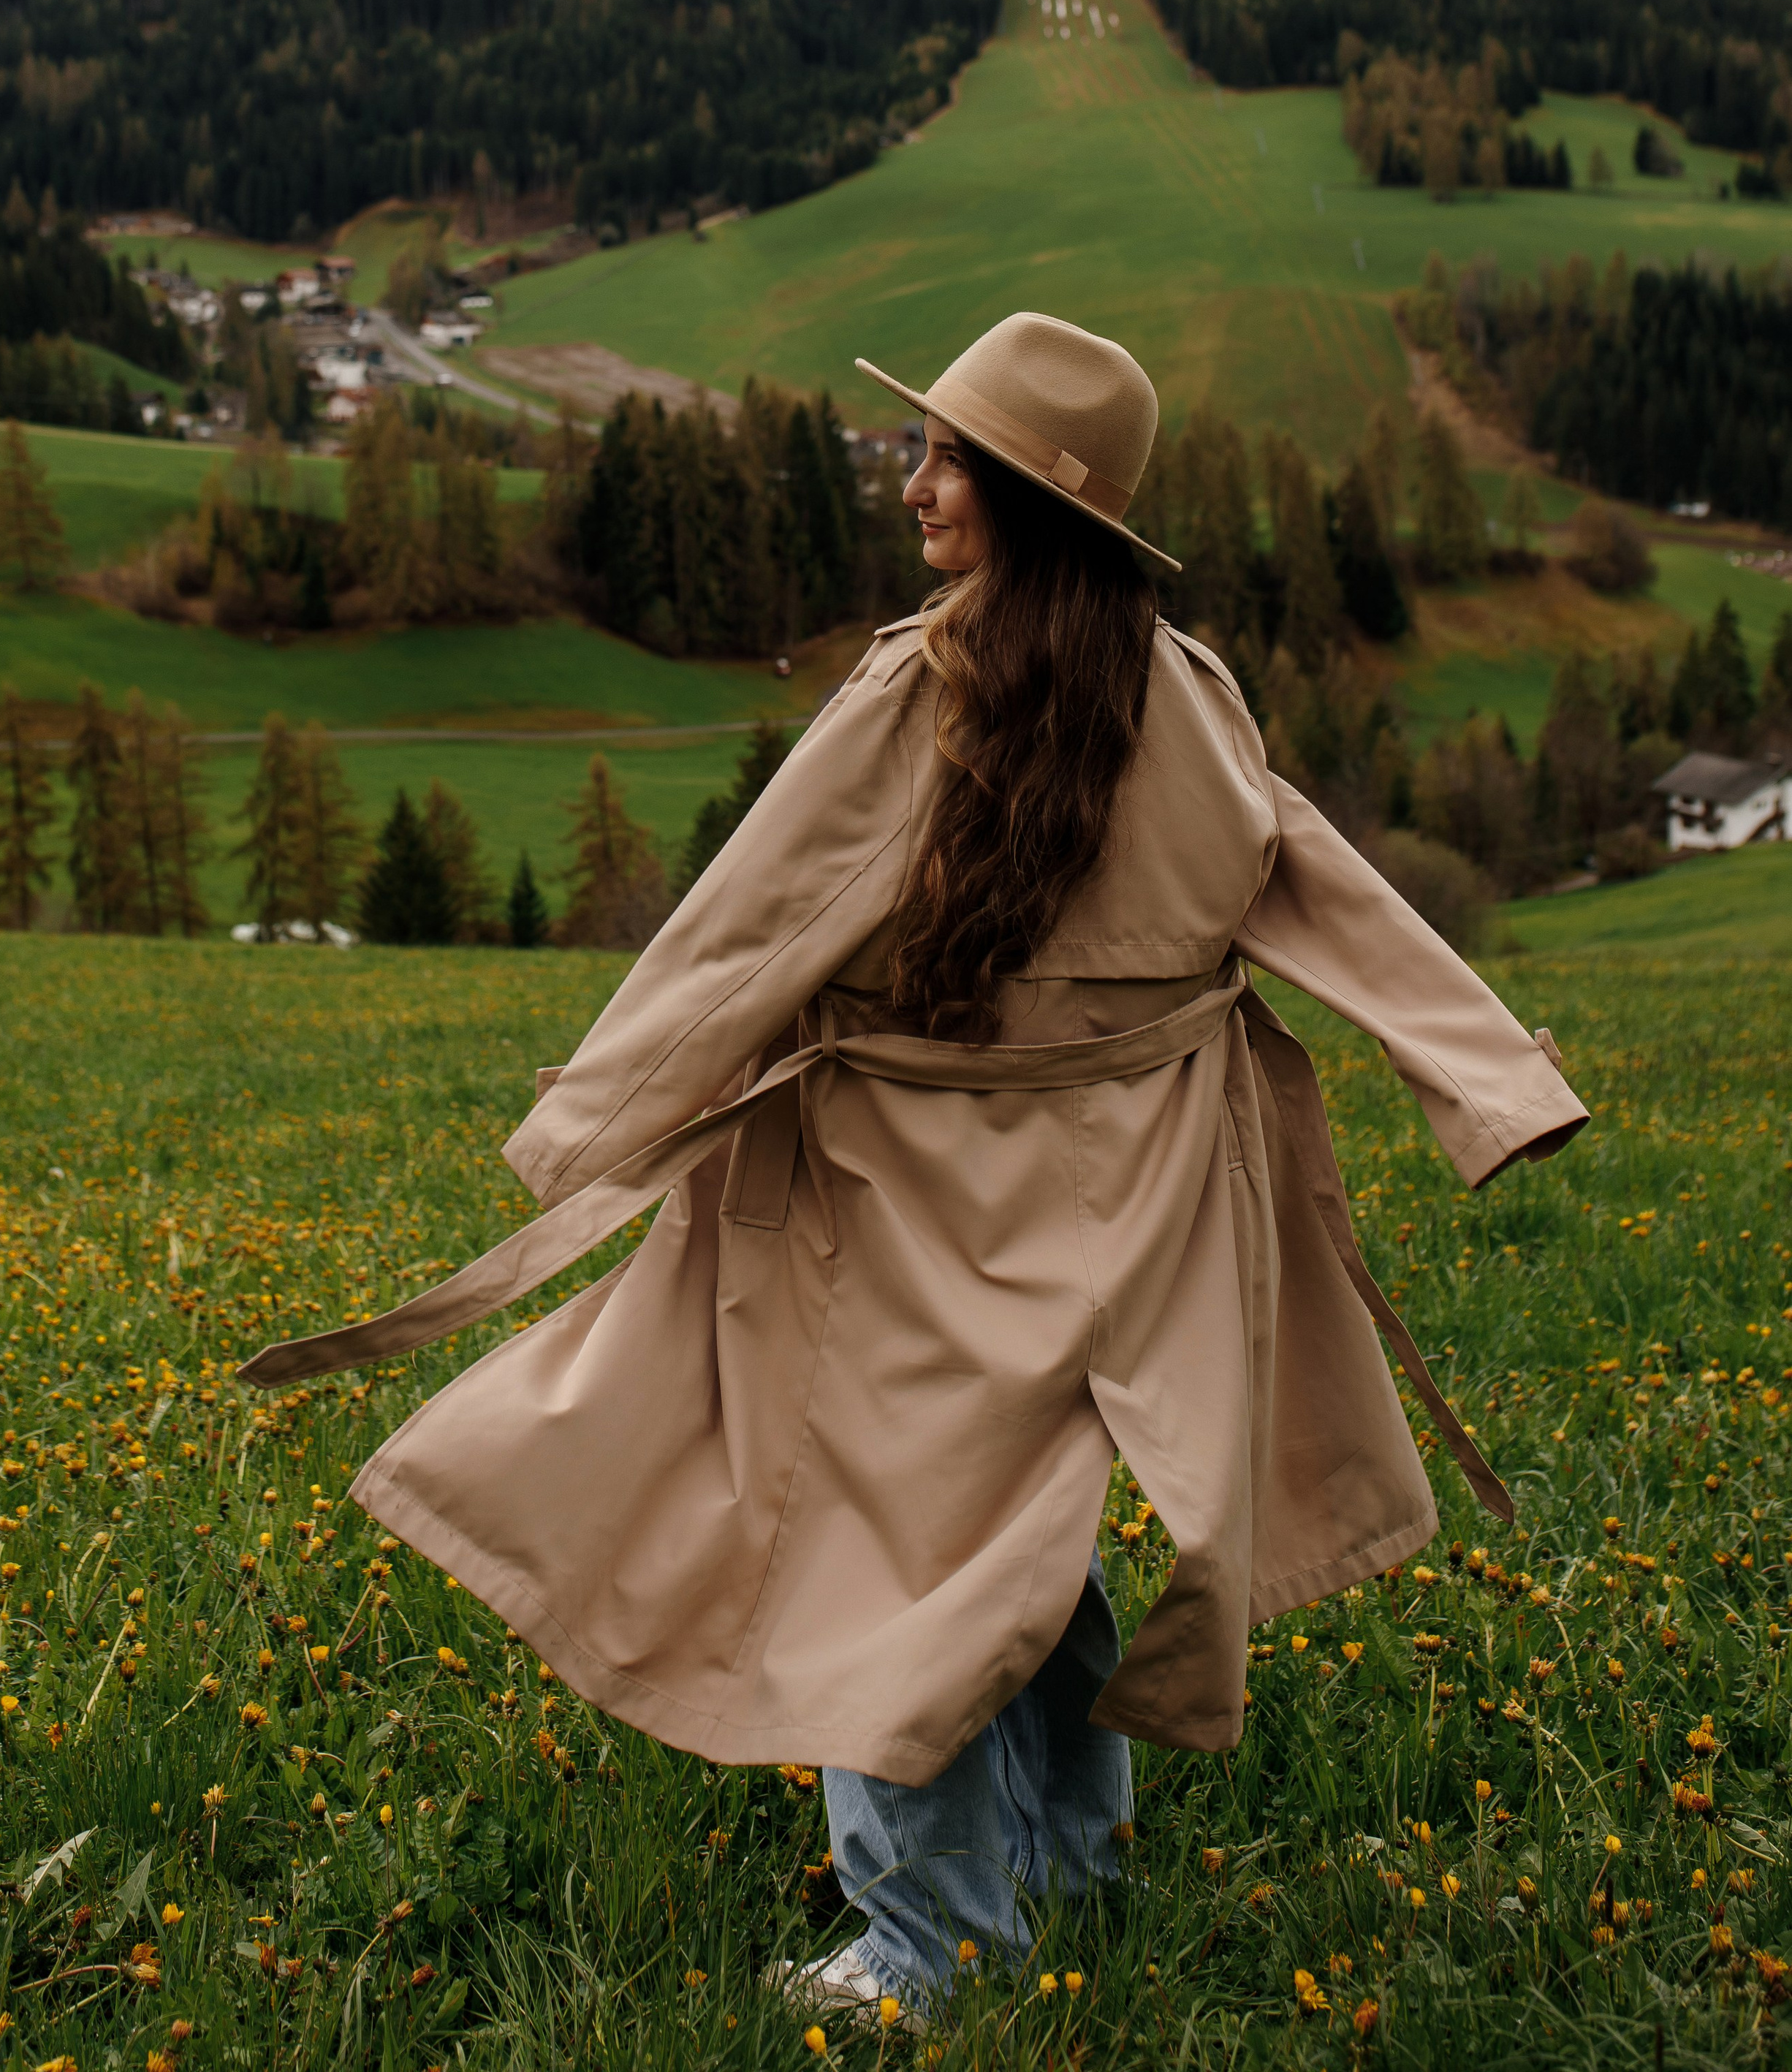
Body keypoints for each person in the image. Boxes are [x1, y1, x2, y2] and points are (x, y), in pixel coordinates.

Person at [243, 311, 1587, 2021]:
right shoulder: (1184, 686)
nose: (914, 487)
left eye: (947, 457)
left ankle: (930, 1954)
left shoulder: (924, 682)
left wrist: (594, 1117)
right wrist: (1479, 1074)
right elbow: (1313, 885)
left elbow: (755, 920)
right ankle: (1069, 1876)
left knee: (878, 1567)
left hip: (918, 1193)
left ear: (1029, 495)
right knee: (1021, 1536)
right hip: (1145, 1188)